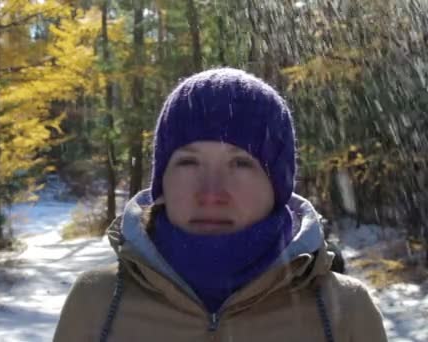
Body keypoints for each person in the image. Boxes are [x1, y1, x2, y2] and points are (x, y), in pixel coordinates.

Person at [54, 68, 387, 341]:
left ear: (278, 187)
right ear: (161, 183)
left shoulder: (344, 312)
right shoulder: (97, 303)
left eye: (241, 164)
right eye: (188, 163)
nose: (211, 192)